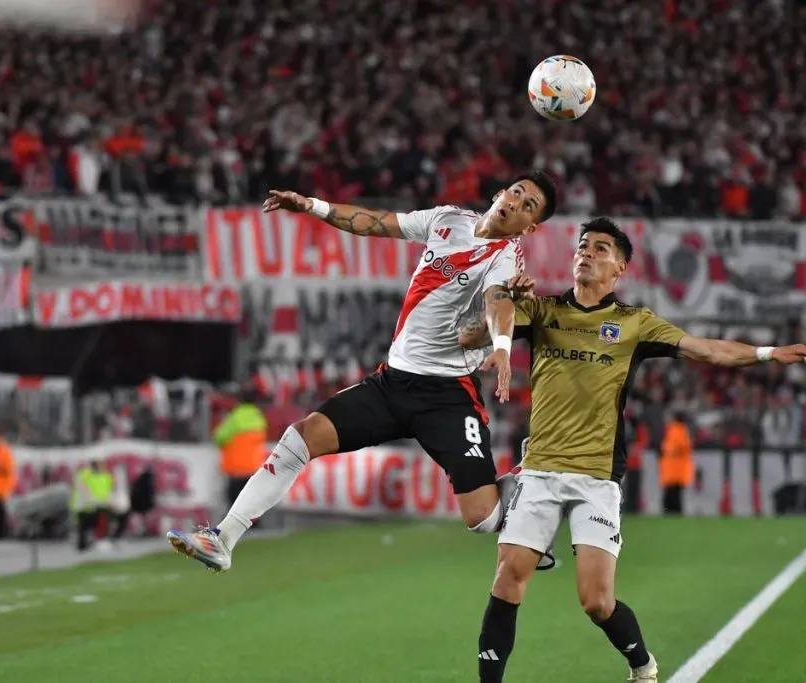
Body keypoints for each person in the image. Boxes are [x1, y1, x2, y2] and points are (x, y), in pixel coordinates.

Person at [459, 217, 806, 683]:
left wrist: (767, 354)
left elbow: (705, 349)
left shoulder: (634, 323)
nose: (587, 252)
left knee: (596, 602)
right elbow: (469, 336)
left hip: (596, 478)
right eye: (583, 246)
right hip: (539, 471)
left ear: (618, 268)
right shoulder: (541, 310)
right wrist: (502, 301)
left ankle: (642, 665)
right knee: (507, 580)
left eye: (601, 249)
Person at [168, 171, 559, 572]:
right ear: (499, 193)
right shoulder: (447, 220)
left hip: (447, 395)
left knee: (482, 519)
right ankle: (222, 539)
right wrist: (311, 206)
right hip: (392, 383)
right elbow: (376, 223)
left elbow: (498, 300)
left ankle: (524, 484)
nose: (515, 203)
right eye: (516, 192)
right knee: (300, 438)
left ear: (529, 227)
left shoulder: (505, 258)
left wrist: (501, 347)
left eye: (528, 206)